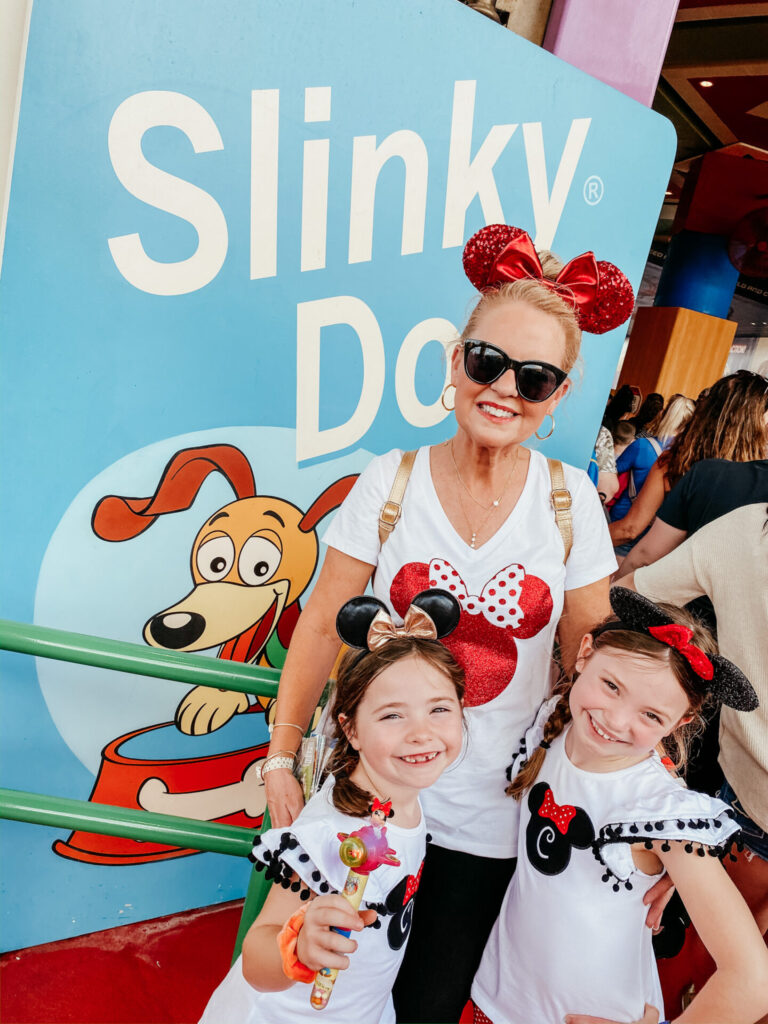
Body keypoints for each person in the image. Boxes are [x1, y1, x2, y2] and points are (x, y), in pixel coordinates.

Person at [262, 223, 635, 1023]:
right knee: (319, 992)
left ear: (560, 395)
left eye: (535, 378)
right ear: (454, 361)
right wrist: (280, 757)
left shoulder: (570, 505)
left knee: (428, 1001)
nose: (504, 388)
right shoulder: (389, 482)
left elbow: (597, 672)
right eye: (487, 361)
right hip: (370, 797)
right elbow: (324, 623)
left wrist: (650, 818)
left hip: (492, 814)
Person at [471, 588, 768, 1024]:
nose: (615, 720)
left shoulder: (663, 814)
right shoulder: (552, 723)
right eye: (612, 686)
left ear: (680, 722)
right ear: (585, 654)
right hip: (497, 999)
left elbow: (753, 981)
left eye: (650, 716)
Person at [200, 590, 466, 1024]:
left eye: (439, 708)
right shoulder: (330, 832)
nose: (422, 733)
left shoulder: (405, 796)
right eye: (392, 716)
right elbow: (256, 954)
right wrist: (297, 946)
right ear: (351, 729)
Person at [619, 504, 768, 986]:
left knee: (710, 978)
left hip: (747, 809)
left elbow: (622, 595)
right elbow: (628, 598)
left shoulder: (748, 528)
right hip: (744, 813)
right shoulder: (745, 529)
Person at [609, 371, 768, 558]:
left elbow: (630, 529)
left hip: (662, 568)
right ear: (756, 421)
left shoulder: (677, 460)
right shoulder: (757, 477)